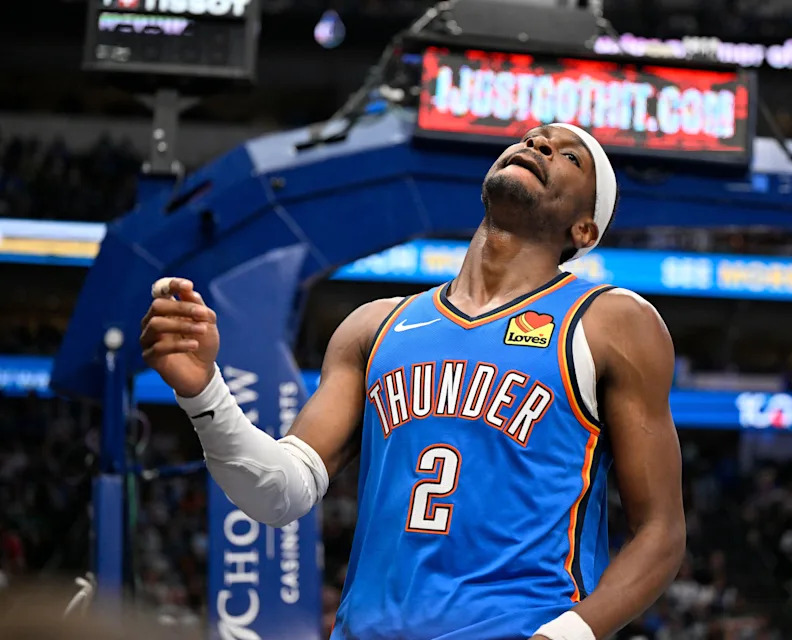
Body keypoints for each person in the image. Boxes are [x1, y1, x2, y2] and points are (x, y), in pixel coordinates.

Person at [141, 123, 686, 640]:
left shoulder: (612, 322)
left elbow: (660, 533)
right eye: (532, 138)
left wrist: (568, 633)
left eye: (569, 156)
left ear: (584, 229)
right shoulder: (374, 326)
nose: (541, 144)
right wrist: (202, 390)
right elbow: (278, 492)